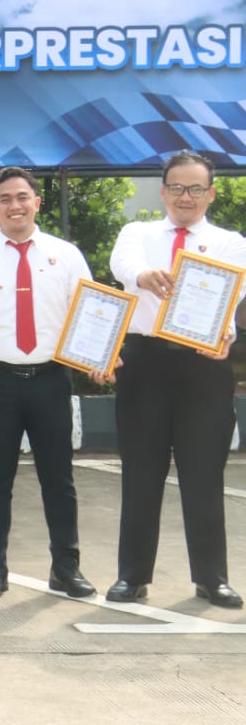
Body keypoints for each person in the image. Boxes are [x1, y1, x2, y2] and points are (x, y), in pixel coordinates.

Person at [0, 166, 96, 600]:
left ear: (37, 203)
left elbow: (90, 312)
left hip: (51, 379)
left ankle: (66, 567)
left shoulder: (65, 254)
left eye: (22, 197)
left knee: (59, 479)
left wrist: (100, 357)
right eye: (5, 200)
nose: (15, 206)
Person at [105, 150, 244, 608]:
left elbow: (232, 296)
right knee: (140, 472)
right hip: (144, 363)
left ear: (211, 193)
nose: (187, 196)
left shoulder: (230, 243)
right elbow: (122, 265)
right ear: (163, 192)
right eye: (178, 188)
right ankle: (132, 576)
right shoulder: (138, 234)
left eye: (196, 188)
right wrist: (144, 275)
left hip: (203, 365)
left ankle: (212, 578)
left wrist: (225, 334)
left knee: (204, 473)